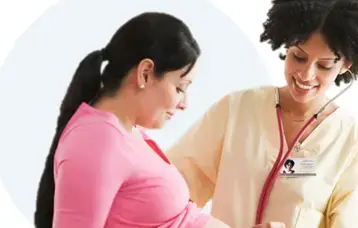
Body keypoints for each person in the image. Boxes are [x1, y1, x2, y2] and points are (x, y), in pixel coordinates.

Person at [166, 0, 358, 227]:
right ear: (286, 45)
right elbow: (167, 191)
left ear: (345, 65)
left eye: (324, 66)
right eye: (298, 57)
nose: (306, 75)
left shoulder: (348, 141)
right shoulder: (238, 109)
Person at [33, 12, 237, 228]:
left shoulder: (122, 131)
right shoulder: (96, 142)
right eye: (180, 88)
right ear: (146, 73)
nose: (184, 103)